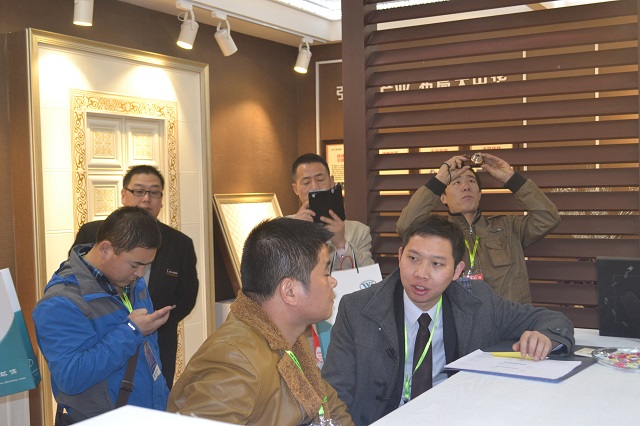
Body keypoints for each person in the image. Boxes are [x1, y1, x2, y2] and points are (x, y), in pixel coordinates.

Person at [323, 215, 574, 426]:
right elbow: (334, 393)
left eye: (436, 264)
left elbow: (552, 320)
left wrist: (545, 337)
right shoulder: (357, 308)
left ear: (456, 271)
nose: (421, 274)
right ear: (400, 256)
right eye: (413, 258)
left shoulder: (479, 302)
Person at [168, 218, 353, 426]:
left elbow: (331, 408)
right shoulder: (236, 359)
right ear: (289, 291)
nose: (333, 281)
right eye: (325, 273)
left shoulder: (290, 336)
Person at [33, 206, 172, 422]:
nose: (140, 273)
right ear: (105, 249)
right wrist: (131, 331)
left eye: (146, 265)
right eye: (135, 264)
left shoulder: (132, 282)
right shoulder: (60, 303)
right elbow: (71, 378)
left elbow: (149, 352)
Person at [71, 165, 198, 388]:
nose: (146, 199)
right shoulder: (93, 233)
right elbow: (77, 281)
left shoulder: (180, 244)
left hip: (158, 344)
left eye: (154, 192)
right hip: (102, 344)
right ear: (123, 195)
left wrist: (155, 323)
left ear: (161, 200)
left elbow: (186, 298)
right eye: (139, 191)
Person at [396, 152, 560, 303]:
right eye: (457, 182)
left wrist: (511, 178)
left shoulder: (508, 228)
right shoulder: (438, 236)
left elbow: (548, 218)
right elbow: (406, 226)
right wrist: (438, 181)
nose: (466, 186)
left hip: (508, 321)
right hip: (460, 321)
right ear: (443, 197)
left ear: (480, 194)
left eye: (471, 181)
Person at [291, 153, 374, 271]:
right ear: (295, 189)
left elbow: (369, 274)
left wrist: (341, 244)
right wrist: (294, 233)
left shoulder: (359, 231)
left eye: (320, 180)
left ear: (331, 182)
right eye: (306, 183)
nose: (314, 187)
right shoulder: (281, 228)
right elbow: (274, 274)